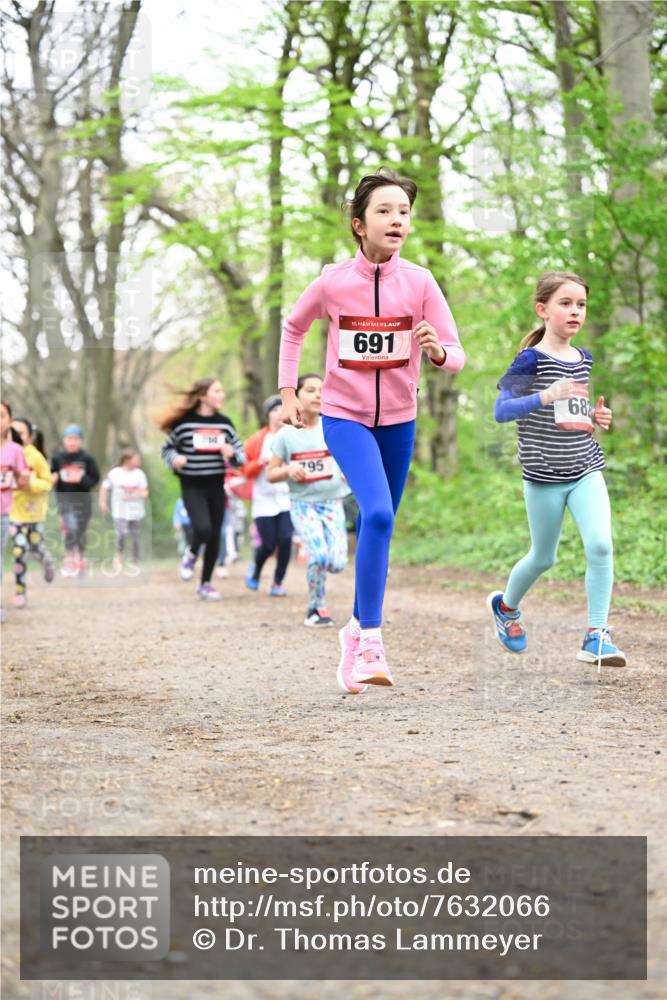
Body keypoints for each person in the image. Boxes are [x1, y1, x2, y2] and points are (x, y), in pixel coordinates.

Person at [278, 167, 464, 691]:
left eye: (403, 212)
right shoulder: (333, 281)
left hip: (400, 421)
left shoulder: (420, 282)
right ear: (359, 224)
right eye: (384, 211)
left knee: (381, 526)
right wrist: (289, 392)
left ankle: (354, 630)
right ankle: (373, 641)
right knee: (377, 512)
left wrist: (437, 350)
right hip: (345, 417)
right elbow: (294, 328)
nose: (396, 220)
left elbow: (457, 357)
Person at [488, 270, 625, 669]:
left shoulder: (584, 359)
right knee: (543, 558)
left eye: (581, 304)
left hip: (585, 466)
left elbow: (572, 413)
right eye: (565, 303)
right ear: (542, 309)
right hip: (543, 476)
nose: (575, 311)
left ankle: (596, 635)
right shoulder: (529, 359)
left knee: (600, 545)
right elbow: (501, 410)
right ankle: (506, 607)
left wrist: (595, 417)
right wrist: (544, 395)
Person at [268, 374, 352, 637]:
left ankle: (321, 574)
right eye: (310, 390)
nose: (318, 395)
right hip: (303, 504)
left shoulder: (335, 426)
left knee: (337, 562)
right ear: (296, 396)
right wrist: (288, 469)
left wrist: (349, 471)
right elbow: (271, 474)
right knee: (318, 556)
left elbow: (350, 458)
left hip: (332, 502)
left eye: (322, 390)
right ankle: (316, 608)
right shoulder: (285, 436)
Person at [159, 377, 244, 601]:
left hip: (216, 484)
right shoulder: (184, 424)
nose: (222, 395)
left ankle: (205, 584)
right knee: (203, 528)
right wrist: (175, 459)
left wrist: (231, 454)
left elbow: (241, 456)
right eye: (217, 391)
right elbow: (166, 449)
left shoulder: (225, 423)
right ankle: (191, 553)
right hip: (192, 485)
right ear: (202, 396)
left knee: (215, 535)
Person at [242, 394, 292, 596]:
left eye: (282, 409)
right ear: (268, 415)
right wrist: (259, 462)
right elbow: (244, 470)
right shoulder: (257, 439)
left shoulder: (293, 435)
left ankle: (277, 583)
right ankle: (256, 568)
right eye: (274, 410)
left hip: (287, 496)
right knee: (269, 543)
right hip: (263, 497)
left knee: (286, 540)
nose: (279, 414)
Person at [9, 417, 54, 606]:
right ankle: (21, 592)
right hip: (12, 514)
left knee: (36, 549)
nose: (17, 436)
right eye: (14, 432)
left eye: (21, 433)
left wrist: (31, 483)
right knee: (19, 551)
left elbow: (48, 482)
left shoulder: (35, 457)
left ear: (29, 436)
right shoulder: (6, 453)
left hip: (33, 514)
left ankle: (46, 561)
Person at [50, 424, 100, 577]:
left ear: (81, 441)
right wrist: (51, 479)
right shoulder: (58, 458)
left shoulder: (87, 459)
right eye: (69, 439)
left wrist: (81, 478)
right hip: (65, 500)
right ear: (64, 441)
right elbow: (52, 479)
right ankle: (69, 562)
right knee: (70, 528)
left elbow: (95, 479)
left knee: (80, 531)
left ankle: (82, 562)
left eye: (76, 439)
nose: (72, 442)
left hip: (83, 499)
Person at [0, 401, 29, 620]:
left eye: (1, 416)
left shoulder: (15, 451)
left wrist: (23, 479)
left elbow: (22, 480)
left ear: (9, 421)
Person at [99, 452, 149, 570]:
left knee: (135, 536)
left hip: (136, 511)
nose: (139, 462)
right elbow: (104, 487)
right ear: (127, 460)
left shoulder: (140, 474)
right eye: (136, 459)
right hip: (119, 510)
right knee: (121, 534)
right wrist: (102, 502)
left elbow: (145, 492)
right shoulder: (115, 473)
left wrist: (135, 495)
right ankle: (118, 556)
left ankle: (135, 560)